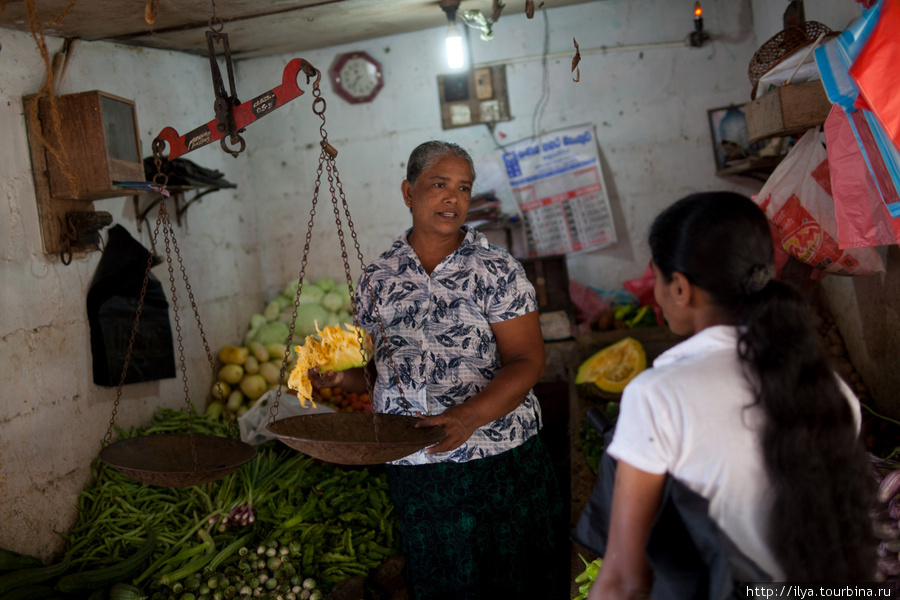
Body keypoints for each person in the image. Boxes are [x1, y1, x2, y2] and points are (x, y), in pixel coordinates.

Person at [586, 192, 876, 599]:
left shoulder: (657, 396)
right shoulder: (831, 388)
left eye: (657, 279)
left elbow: (623, 583)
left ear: (681, 288)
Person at [312, 140, 564, 599]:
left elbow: (528, 361)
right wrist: (339, 377)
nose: (454, 198)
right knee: (442, 580)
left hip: (498, 456)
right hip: (416, 462)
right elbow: (378, 372)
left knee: (514, 577)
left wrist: (469, 416)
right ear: (409, 193)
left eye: (464, 188)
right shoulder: (378, 278)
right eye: (439, 185)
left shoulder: (496, 270)